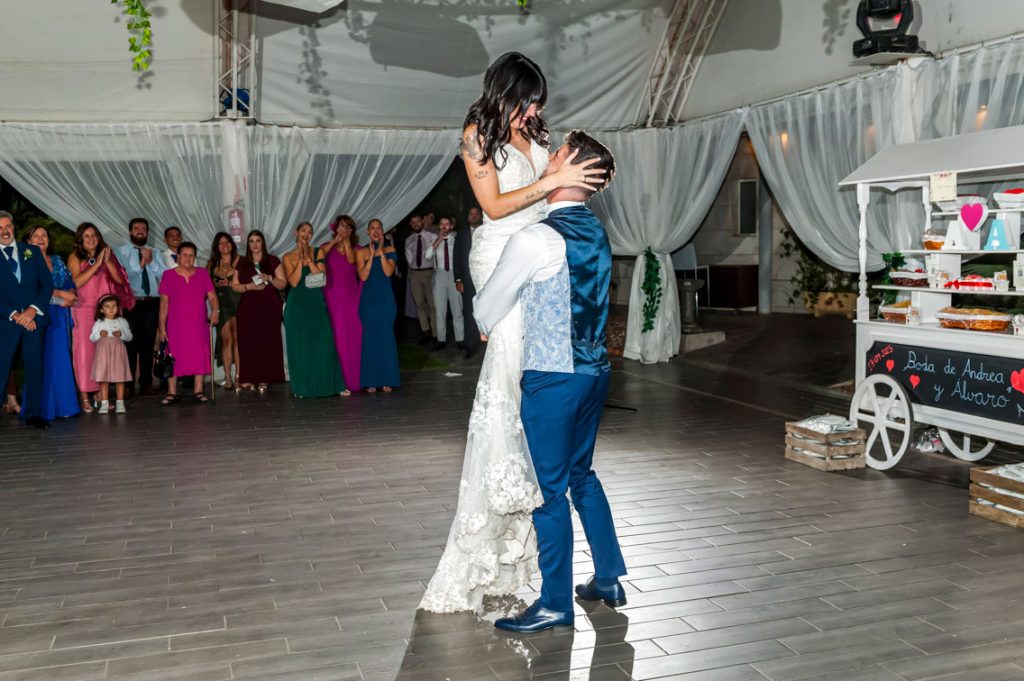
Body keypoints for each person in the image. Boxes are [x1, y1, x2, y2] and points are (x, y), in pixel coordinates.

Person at [419, 52, 607, 614]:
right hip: (503, 251)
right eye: (529, 100)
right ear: (505, 94)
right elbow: (493, 206)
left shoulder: (538, 132)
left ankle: (533, 505)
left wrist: (570, 177)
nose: (537, 109)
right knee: (510, 375)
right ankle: (504, 496)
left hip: (542, 256)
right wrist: (552, 178)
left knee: (541, 374)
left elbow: (560, 193)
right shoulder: (476, 137)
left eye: (539, 101)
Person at [474, 131, 625, 633]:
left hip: (553, 379)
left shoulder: (535, 238)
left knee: (547, 490)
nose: (548, 158)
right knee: (583, 475)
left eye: (557, 154)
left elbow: (486, 308)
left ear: (573, 169)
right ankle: (608, 578)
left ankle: (555, 601)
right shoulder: (599, 233)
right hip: (597, 375)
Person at [68, 222, 132, 414]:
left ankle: (99, 394)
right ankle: (84, 395)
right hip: (84, 310)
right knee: (84, 353)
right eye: (86, 236)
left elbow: (120, 281)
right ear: (80, 240)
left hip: (106, 311)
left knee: (103, 354)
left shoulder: (107, 256)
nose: (91, 239)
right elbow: (76, 281)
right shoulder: (75, 257)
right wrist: (96, 265)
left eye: (94, 235)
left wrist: (107, 262)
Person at [0, 211, 53, 429]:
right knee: (2, 368)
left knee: (35, 367)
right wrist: (15, 315)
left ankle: (33, 414)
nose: (4, 231)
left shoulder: (31, 251)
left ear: (14, 227)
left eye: (7, 226)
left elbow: (47, 285)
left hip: (34, 320)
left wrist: (32, 310)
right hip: (6, 322)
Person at [283, 222, 347, 398]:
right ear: (296, 232)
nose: (306, 234)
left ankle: (331, 386)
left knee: (324, 342)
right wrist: (300, 260)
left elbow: (321, 278)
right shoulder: (288, 257)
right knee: (300, 347)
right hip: (297, 306)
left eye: (310, 232)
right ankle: (302, 388)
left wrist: (309, 260)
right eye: (303, 231)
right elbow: (294, 282)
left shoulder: (318, 252)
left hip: (316, 303)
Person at [25, 226, 79, 420]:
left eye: (44, 235)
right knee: (41, 360)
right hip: (38, 314)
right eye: (36, 235)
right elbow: (32, 290)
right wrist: (60, 295)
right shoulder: (26, 261)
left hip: (59, 315)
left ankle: (64, 406)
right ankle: (42, 409)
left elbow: (68, 281)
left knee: (61, 358)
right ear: (28, 241)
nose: (41, 238)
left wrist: (72, 294)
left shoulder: (56, 260)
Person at [158, 242, 218, 404]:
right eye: (184, 254)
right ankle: (172, 392)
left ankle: (198, 390)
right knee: (173, 356)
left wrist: (215, 311)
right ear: (177, 256)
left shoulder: (202, 273)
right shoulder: (168, 275)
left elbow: (212, 296)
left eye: (191, 255)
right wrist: (161, 326)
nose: (187, 258)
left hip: (198, 323)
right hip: (175, 324)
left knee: (199, 354)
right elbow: (163, 303)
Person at [117, 217, 167, 396]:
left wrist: (152, 261)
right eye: (136, 228)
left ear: (147, 232)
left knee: (147, 344)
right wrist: (141, 265)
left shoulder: (156, 252)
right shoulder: (121, 251)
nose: (140, 231)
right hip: (131, 301)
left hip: (152, 302)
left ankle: (145, 382)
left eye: (143, 228)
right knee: (129, 343)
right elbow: (122, 277)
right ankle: (128, 385)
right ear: (130, 232)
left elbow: (164, 275)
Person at [231, 230, 286, 394]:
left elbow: (283, 283)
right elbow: (234, 285)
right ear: (248, 244)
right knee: (247, 341)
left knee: (267, 341)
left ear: (263, 243)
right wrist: (250, 287)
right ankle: (247, 377)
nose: (255, 244)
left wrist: (269, 278)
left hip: (269, 307)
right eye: (251, 241)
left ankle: (266, 377)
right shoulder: (241, 262)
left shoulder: (273, 260)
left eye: (258, 241)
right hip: (248, 307)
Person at [357, 219, 400, 393]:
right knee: (370, 340)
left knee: (385, 338)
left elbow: (388, 272)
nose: (376, 231)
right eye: (372, 228)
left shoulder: (390, 250)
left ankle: (387, 379)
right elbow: (363, 276)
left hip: (385, 301)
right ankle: (371, 380)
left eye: (379, 228)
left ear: (383, 231)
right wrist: (370, 256)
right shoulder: (361, 253)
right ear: (367, 232)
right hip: (368, 301)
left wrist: (381, 252)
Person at [322, 215, 362, 391]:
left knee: (354, 335)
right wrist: (336, 240)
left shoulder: (357, 248)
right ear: (335, 228)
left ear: (351, 230)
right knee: (336, 337)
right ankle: (338, 381)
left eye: (347, 227)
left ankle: (355, 379)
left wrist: (345, 241)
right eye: (341, 226)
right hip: (332, 297)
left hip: (351, 297)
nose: (344, 229)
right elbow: (320, 256)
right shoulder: (326, 247)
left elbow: (351, 260)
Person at [207, 232, 241, 391]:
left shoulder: (240, 260)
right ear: (216, 246)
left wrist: (232, 279)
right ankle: (228, 378)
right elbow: (207, 288)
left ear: (232, 244)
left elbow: (247, 281)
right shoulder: (212, 264)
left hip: (239, 301)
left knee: (238, 341)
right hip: (221, 304)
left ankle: (239, 377)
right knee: (226, 341)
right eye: (221, 243)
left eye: (227, 242)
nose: (224, 245)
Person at [424, 216, 463, 351]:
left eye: (447, 224)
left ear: (451, 226)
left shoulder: (456, 240)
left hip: (454, 275)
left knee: (457, 308)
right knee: (440, 310)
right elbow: (428, 255)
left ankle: (460, 339)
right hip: (439, 274)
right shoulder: (434, 240)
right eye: (442, 224)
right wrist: (439, 240)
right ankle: (441, 339)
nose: (444, 226)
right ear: (439, 226)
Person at [90, 294, 133, 415]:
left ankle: (120, 403)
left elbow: (130, 337)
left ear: (118, 308)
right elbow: (92, 338)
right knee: (104, 378)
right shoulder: (99, 322)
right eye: (107, 306)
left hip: (118, 351)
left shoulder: (122, 321)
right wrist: (99, 335)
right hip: (103, 352)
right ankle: (104, 403)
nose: (111, 309)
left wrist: (122, 335)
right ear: (101, 309)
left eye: (114, 306)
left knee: (120, 378)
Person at [454, 206, 483, 359]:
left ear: (481, 215)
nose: (474, 216)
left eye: (476, 213)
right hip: (468, 279)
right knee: (469, 312)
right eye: (471, 214)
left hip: (486, 278)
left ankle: (489, 342)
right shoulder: (462, 234)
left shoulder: (488, 231)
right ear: (467, 217)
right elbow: (457, 257)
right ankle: (471, 345)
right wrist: (458, 279)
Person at [404, 215, 437, 345]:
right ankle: (425, 331)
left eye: (417, 221)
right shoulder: (409, 240)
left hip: (430, 273)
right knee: (419, 305)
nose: (415, 224)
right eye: (412, 222)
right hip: (415, 274)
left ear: (422, 221)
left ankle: (436, 334)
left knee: (433, 305)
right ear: (411, 225)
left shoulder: (432, 237)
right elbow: (409, 258)